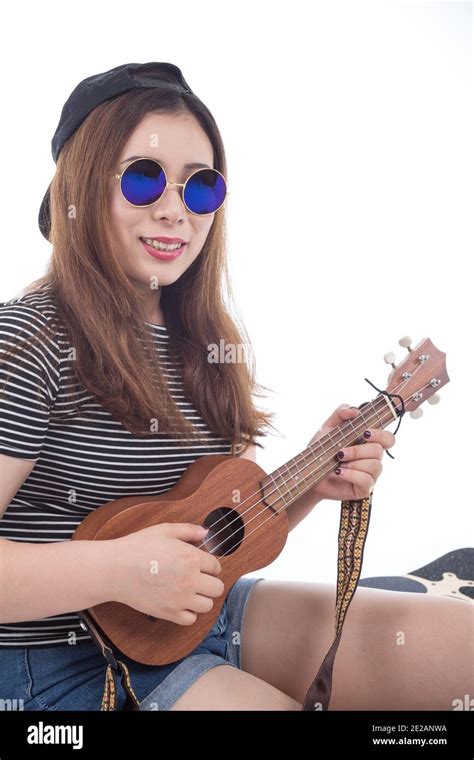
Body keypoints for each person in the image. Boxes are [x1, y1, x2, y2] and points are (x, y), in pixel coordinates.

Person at [0, 63, 471, 712]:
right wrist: (120, 571)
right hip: (63, 660)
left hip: (206, 618)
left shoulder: (205, 343)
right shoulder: (26, 344)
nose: (174, 210)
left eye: (200, 187)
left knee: (463, 646)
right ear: (82, 187)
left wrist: (313, 480)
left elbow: (223, 533)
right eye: (143, 178)